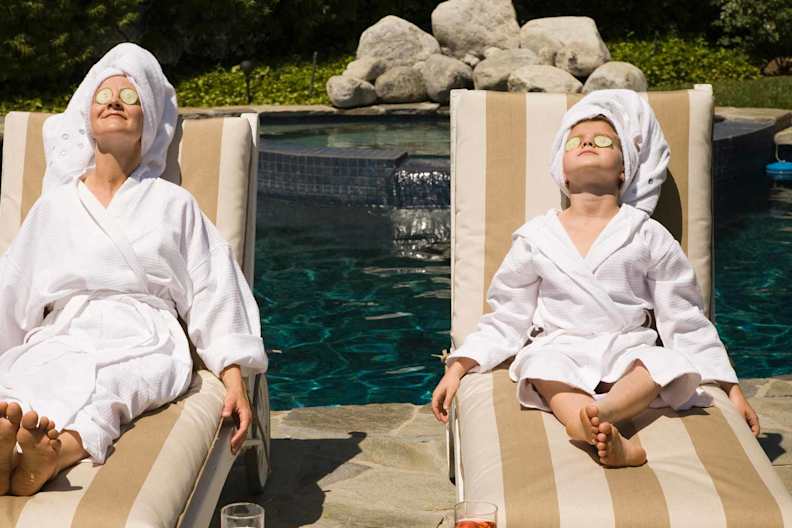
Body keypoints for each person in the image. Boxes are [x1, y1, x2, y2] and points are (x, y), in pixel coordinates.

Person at [431, 89, 759, 468]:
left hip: (625, 347)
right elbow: (508, 314)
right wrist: (458, 366)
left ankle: (601, 416)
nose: (587, 141)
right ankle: (592, 427)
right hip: (561, 346)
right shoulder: (536, 237)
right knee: (538, 367)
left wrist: (729, 386)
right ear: (562, 169)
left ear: (625, 168)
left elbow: (684, 318)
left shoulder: (648, 235)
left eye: (604, 140)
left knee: (662, 363)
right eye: (576, 141)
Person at [0, 43, 268, 496]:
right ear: (87, 118)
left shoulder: (173, 202)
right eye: (104, 95)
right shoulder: (57, 205)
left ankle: (54, 451)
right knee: (26, 375)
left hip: (145, 334)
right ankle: (12, 450)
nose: (114, 103)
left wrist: (234, 375)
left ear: (152, 122)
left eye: (130, 97)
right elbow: (12, 289)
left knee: (112, 385)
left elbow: (212, 285)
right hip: (65, 330)